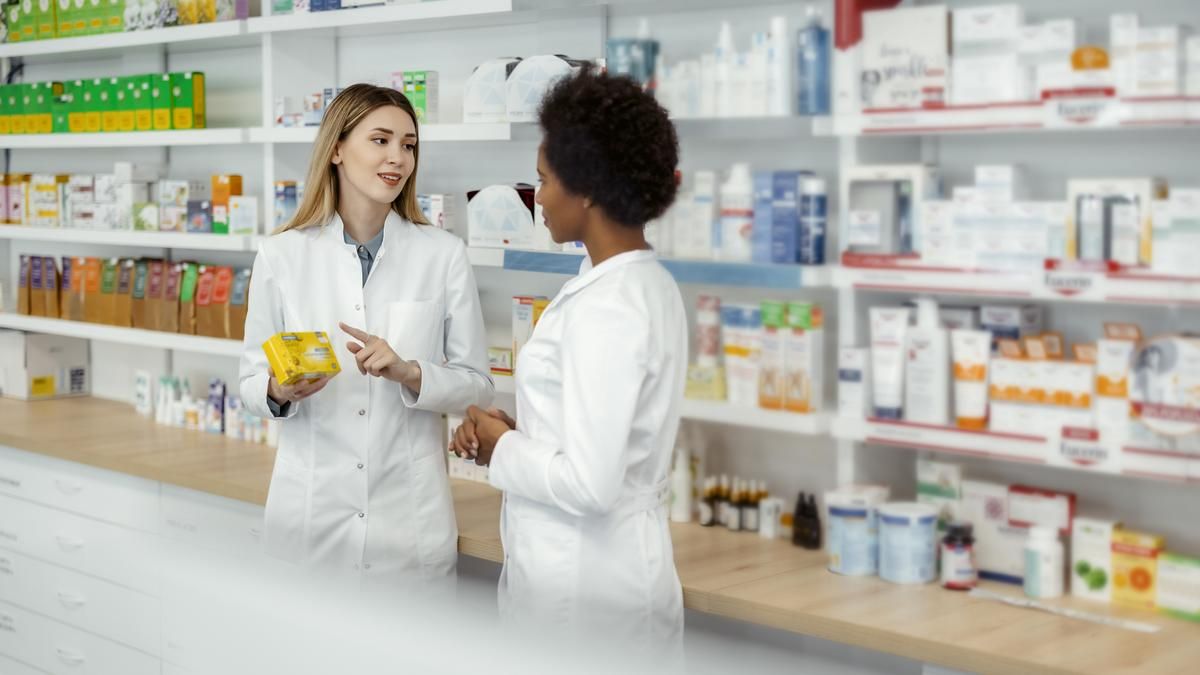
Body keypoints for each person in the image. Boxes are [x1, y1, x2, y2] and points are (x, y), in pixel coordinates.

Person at [450, 67, 687, 648]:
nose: (538, 198)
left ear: (586, 189)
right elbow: (597, 437)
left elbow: (589, 484)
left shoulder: (607, 307)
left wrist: (498, 447)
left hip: (586, 593)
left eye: (544, 181)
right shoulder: (640, 284)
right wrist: (521, 431)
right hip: (604, 575)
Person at [239, 84, 493, 584]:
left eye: (409, 144)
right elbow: (249, 379)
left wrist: (411, 373)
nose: (397, 157)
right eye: (380, 140)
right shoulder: (282, 256)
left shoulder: (442, 254)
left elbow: (477, 384)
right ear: (336, 148)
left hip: (409, 526)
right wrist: (276, 389)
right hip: (311, 518)